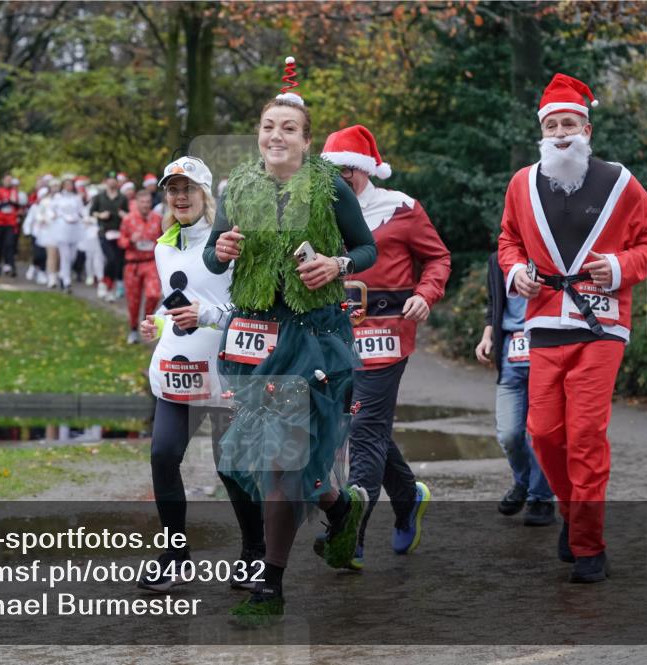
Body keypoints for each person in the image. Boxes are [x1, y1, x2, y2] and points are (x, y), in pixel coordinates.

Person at [204, 58, 377, 620]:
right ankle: (339, 506)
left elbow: (367, 248)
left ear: (306, 140)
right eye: (267, 127)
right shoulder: (238, 187)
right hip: (254, 339)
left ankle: (269, 587)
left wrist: (337, 263)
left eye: (287, 128)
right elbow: (211, 251)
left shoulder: (329, 188)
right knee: (259, 460)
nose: (275, 136)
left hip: (314, 339)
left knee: (281, 462)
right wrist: (220, 252)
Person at [498, 73, 647, 583]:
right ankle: (574, 519)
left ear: (587, 129)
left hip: (602, 325)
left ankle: (590, 547)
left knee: (586, 434)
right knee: (542, 433)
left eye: (570, 123)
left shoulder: (620, 181)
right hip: (545, 320)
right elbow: (508, 240)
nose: (562, 132)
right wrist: (515, 271)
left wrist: (617, 268)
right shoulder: (522, 183)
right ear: (542, 133)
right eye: (553, 125)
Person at [318, 124, 451, 569]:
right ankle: (408, 494)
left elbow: (438, 257)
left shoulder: (402, 208)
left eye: (350, 171)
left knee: (364, 430)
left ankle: (351, 535)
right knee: (365, 425)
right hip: (336, 334)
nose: (342, 180)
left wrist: (425, 294)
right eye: (333, 172)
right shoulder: (320, 214)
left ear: (366, 171)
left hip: (388, 332)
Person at [136, 156, 266, 593]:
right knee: (162, 456)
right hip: (177, 370)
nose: (179, 197)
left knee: (232, 468)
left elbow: (250, 308)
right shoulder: (162, 246)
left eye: (187, 189)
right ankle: (175, 555)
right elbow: (175, 302)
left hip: (227, 369)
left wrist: (208, 316)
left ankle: (255, 553)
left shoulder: (229, 242)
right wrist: (154, 321)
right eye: (172, 190)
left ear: (206, 194)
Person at [476, 252, 556, 525]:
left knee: (541, 434)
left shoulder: (554, 252)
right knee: (509, 433)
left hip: (547, 348)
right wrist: (487, 337)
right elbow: (493, 303)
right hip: (511, 352)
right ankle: (523, 482)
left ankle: (541, 499)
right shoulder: (497, 260)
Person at [118, 189, 163, 344]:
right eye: (142, 202)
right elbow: (120, 241)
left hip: (151, 262)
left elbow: (164, 239)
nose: (146, 205)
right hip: (133, 265)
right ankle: (133, 329)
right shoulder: (128, 220)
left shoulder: (158, 219)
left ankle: (147, 321)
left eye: (148, 202)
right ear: (136, 203)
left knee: (153, 294)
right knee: (133, 301)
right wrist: (130, 240)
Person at [89, 173, 129, 301]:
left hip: (118, 233)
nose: (112, 183)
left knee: (118, 261)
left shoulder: (123, 198)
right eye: (110, 180)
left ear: (117, 183)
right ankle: (103, 284)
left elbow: (128, 214)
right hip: (104, 233)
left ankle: (111, 287)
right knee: (110, 259)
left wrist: (124, 215)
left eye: (114, 180)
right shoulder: (99, 197)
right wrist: (100, 215)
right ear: (106, 182)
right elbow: (91, 212)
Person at [51, 178, 87, 293]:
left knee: (72, 256)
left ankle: (62, 274)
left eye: (70, 184)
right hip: (62, 227)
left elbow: (82, 211)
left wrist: (85, 219)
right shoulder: (58, 197)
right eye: (66, 184)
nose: (68, 187)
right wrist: (56, 216)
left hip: (75, 228)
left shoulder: (76, 198)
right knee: (65, 255)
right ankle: (67, 281)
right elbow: (52, 210)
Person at [0, 173, 22, 276]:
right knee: (1, 244)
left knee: (10, 243)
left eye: (10, 180)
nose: (8, 182)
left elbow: (17, 205)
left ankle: (10, 265)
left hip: (11, 222)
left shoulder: (14, 191)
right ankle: (0, 263)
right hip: (0, 222)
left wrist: (12, 203)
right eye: (7, 180)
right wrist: (7, 202)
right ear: (3, 181)